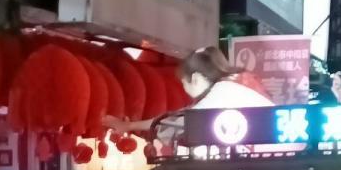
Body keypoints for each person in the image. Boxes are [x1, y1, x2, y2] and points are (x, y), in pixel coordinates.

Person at [107, 47, 273, 136]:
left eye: (183, 83)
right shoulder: (240, 80)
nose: (185, 91)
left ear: (195, 79)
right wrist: (130, 125)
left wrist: (128, 126)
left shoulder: (221, 93)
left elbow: (175, 122)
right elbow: (178, 117)